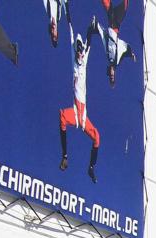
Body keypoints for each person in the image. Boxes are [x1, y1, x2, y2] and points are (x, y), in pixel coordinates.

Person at [58, 18, 102, 182]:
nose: (79, 54)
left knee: (97, 137)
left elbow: (89, 41)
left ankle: (91, 168)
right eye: (77, 51)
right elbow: (70, 32)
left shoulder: (84, 60)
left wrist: (92, 28)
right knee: (62, 116)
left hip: (83, 116)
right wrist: (68, 13)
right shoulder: (74, 60)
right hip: (77, 111)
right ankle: (65, 156)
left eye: (80, 51)